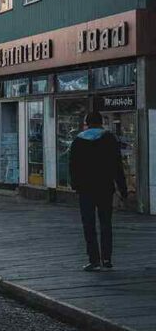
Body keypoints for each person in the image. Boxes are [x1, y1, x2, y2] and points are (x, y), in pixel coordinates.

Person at [69, 112, 128, 271]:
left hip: (86, 189)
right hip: (105, 187)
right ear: (101, 123)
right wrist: (123, 189)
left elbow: (73, 167)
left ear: (86, 123)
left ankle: (93, 260)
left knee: (88, 224)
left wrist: (75, 186)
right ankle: (107, 258)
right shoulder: (109, 139)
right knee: (106, 223)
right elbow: (117, 166)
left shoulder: (78, 141)